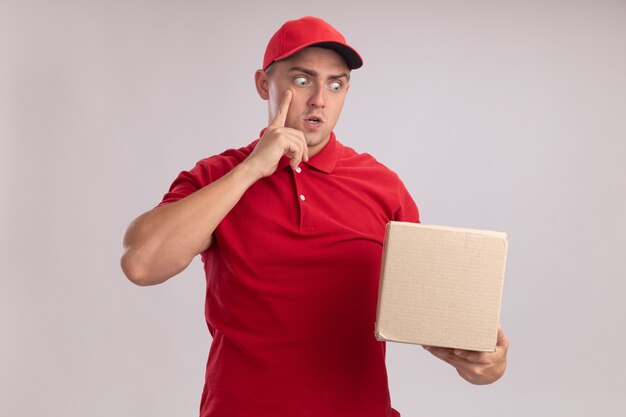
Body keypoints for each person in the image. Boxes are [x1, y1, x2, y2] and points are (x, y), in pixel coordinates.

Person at [121, 16, 509, 417]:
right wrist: (253, 169)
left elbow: (430, 319)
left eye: (335, 84)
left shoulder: (382, 186)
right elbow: (141, 263)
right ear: (262, 84)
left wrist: (484, 364)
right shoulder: (218, 176)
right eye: (303, 80)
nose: (320, 99)